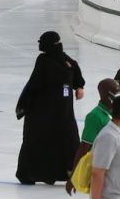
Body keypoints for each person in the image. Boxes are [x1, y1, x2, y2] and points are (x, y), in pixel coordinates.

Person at [15, 30, 85, 184]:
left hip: (57, 113)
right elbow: (34, 85)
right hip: (47, 113)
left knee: (63, 141)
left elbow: (74, 71)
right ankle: (38, 174)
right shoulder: (48, 61)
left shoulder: (62, 61)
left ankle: (65, 173)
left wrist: (79, 86)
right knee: (44, 141)